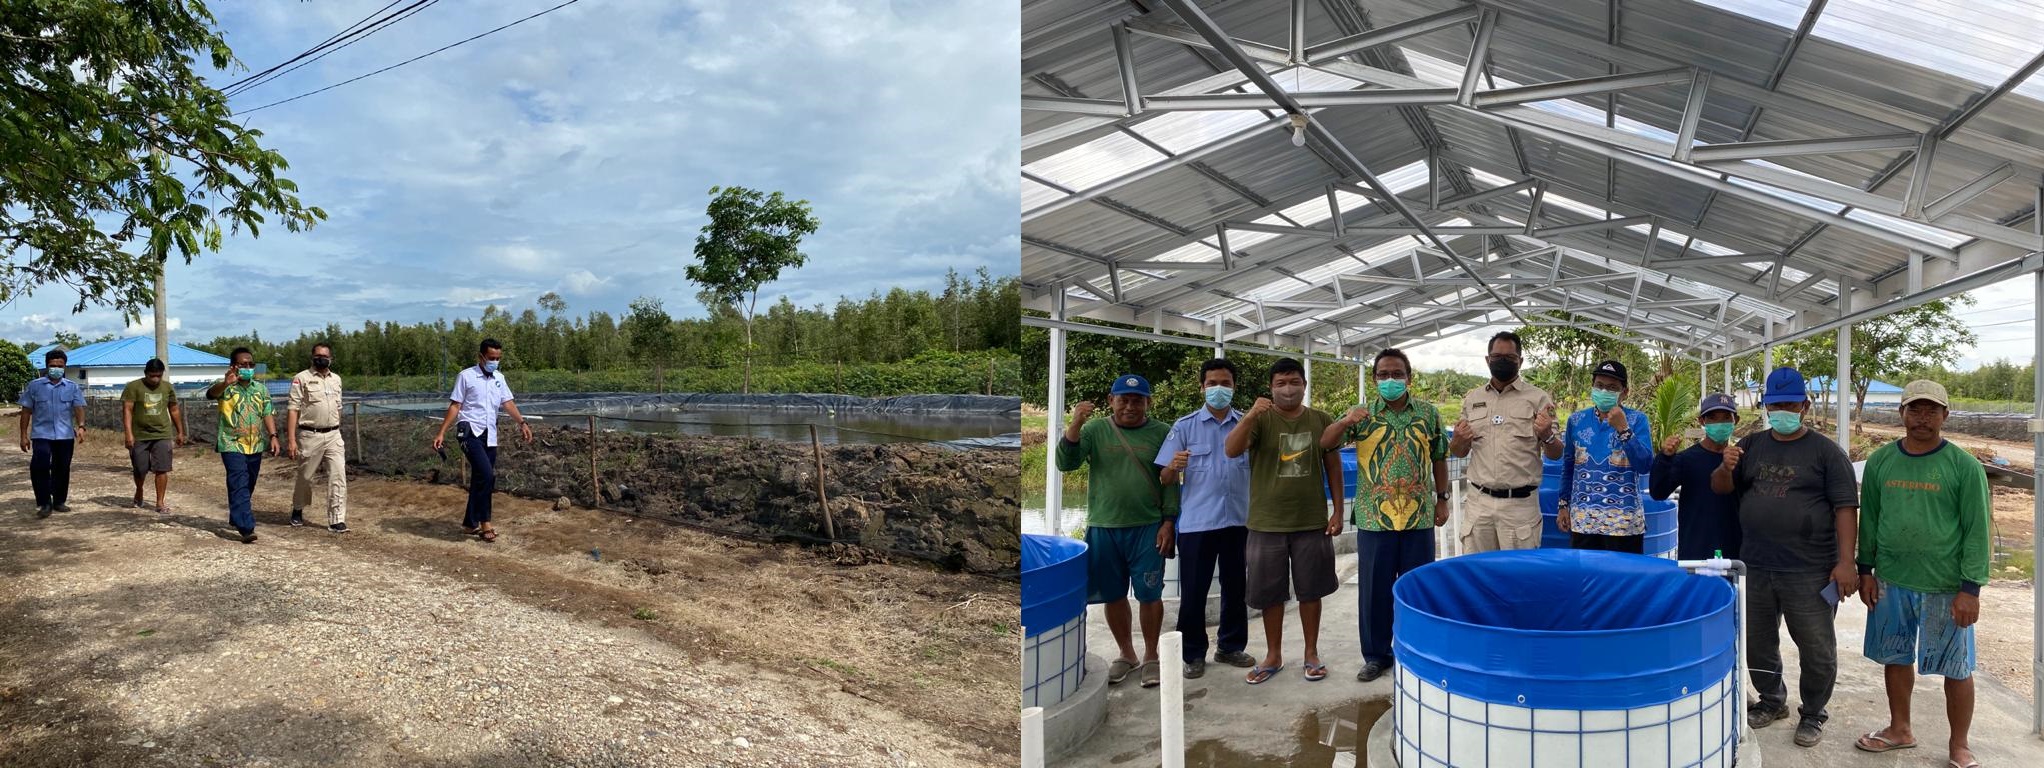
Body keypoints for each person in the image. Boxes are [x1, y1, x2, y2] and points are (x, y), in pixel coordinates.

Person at [1712, 366, 1859, 748]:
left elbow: (1846, 507)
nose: (1782, 410)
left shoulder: (1827, 453)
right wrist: (1725, 468)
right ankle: (1772, 700)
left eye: (1790, 403)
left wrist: (1847, 563)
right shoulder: (1752, 445)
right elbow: (1722, 489)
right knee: (1758, 641)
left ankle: (1813, 713)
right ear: (1765, 406)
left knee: (1816, 646)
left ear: (1805, 406)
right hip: (1756, 563)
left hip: (1810, 568)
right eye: (1775, 404)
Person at [1852, 380, 1989, 768]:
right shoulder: (1881, 461)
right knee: (1895, 657)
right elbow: (1871, 519)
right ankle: (1900, 729)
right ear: (1902, 414)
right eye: (1915, 409)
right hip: (1891, 580)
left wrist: (1971, 589)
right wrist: (1866, 571)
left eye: (1931, 410)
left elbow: (1976, 529)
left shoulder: (1963, 466)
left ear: (1945, 415)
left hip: (1946, 587)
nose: (1922, 418)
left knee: (1957, 668)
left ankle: (1959, 744)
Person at [1321, 348, 1446, 683]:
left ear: (1409, 377)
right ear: (1374, 379)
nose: (1390, 380)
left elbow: (1439, 459)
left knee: (1416, 589)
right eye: (1383, 375)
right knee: (1374, 591)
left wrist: (1443, 499)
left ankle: (1416, 651)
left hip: (1418, 517)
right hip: (1375, 518)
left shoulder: (1428, 414)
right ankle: (1376, 656)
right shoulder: (1361, 415)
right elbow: (1325, 442)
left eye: (1397, 374)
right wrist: (1346, 420)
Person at [1225, 357, 1343, 685]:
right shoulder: (1261, 420)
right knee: (1270, 594)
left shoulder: (1321, 419)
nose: (1288, 389)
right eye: (1281, 383)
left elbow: (1333, 467)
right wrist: (1250, 414)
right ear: (1271, 388)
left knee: (1311, 591)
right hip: (1266, 523)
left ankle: (1311, 653)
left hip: (1311, 522)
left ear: (1304, 385)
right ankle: (1273, 655)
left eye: (1294, 382)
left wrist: (1338, 511)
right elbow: (1231, 450)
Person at [1057, 373, 1178, 688]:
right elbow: (1066, 463)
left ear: (1148, 402)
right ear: (1111, 401)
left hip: (1148, 527)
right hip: (1104, 526)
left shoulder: (1162, 433)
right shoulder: (1096, 430)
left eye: (1137, 400)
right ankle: (1127, 654)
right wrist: (1075, 424)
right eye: (1123, 399)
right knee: (1113, 594)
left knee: (1150, 594)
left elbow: (1169, 481)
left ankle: (1151, 655)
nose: (1130, 406)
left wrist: (1169, 522)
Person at [1155, 360, 1254, 680]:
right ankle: (1193, 653)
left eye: (1225, 383)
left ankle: (1230, 646)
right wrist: (1173, 465)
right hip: (1198, 524)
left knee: (1236, 587)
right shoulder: (1184, 427)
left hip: (1238, 521)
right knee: (1194, 592)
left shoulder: (1247, 425)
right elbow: (1165, 478)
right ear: (1202, 387)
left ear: (1234, 387)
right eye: (1212, 383)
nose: (1218, 389)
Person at [1450, 331, 1561, 552]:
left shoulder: (1538, 398)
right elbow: (1459, 451)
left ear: (1520, 361)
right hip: (1478, 503)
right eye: (1496, 356)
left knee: (1519, 578)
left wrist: (1547, 434)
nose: (1502, 361)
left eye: (1509, 358)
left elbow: (1556, 453)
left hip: (1520, 506)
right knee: (1477, 575)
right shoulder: (1473, 399)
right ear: (1487, 360)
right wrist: (1458, 440)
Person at [431, 339, 534, 543]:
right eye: (491, 358)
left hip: (490, 433)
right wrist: (441, 432)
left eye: (497, 358)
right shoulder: (466, 376)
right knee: (487, 475)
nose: (494, 362)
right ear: (481, 357)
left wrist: (522, 422)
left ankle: (470, 523)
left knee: (480, 477)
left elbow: (508, 402)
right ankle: (485, 522)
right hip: (469, 432)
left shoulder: (499, 378)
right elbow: (455, 405)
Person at [1556, 360, 1654, 553]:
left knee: (1623, 581)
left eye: (1612, 388)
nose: (1604, 391)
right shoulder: (1576, 420)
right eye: (1599, 386)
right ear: (1592, 386)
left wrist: (1623, 430)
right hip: (1583, 522)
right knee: (1586, 580)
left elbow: (1645, 465)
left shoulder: (1637, 420)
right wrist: (1563, 505)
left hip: (1624, 525)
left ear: (1624, 392)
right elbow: (1568, 467)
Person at [1649, 393, 1743, 560]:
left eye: (1726, 418)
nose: (1719, 423)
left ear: (1736, 420)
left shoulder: (1741, 458)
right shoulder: (1686, 459)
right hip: (1695, 551)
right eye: (1713, 418)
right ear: (1702, 421)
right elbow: (1658, 492)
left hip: (1734, 552)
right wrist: (1664, 458)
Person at [206, 347, 279, 544]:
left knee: (248, 483)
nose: (248, 367)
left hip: (255, 444)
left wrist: (273, 436)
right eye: (243, 364)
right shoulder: (225, 387)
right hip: (231, 443)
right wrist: (225, 383)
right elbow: (210, 395)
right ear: (234, 366)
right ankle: (246, 527)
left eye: (251, 364)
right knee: (239, 482)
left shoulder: (261, 389)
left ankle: (236, 515)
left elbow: (267, 413)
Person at [18, 348, 87, 518]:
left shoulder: (72, 387)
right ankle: (44, 502)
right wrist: (23, 436)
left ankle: (59, 501)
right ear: (47, 366)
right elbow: (26, 411)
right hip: (41, 434)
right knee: (39, 467)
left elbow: (79, 408)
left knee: (62, 468)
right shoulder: (35, 386)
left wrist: (81, 426)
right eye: (52, 365)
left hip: (64, 435)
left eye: (60, 365)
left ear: (65, 366)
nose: (56, 368)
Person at [288, 342, 349, 532]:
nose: (321, 359)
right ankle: (298, 509)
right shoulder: (301, 378)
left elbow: (339, 407)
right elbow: (293, 409)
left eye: (325, 356)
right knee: (305, 477)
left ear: (331, 358)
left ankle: (336, 519)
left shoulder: (336, 379)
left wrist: (336, 428)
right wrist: (291, 440)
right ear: (312, 357)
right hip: (310, 435)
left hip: (333, 434)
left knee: (338, 476)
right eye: (318, 356)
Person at [121, 358, 188, 516]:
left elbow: (174, 409)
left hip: (162, 434)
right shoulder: (133, 387)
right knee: (140, 468)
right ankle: (139, 490)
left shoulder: (167, 387)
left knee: (162, 469)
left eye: (158, 375)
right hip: (140, 435)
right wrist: (128, 434)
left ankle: (160, 502)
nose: (155, 379)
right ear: (145, 374)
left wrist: (180, 431)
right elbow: (127, 410)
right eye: (152, 376)